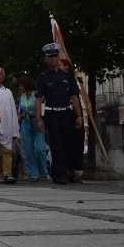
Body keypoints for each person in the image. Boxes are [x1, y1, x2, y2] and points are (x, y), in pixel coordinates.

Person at [35, 43, 83, 185]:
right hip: (52, 114)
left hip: (67, 113)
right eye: (50, 56)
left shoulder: (67, 77)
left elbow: (74, 97)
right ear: (46, 59)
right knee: (56, 145)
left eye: (55, 56)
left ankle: (68, 171)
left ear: (58, 57)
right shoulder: (43, 78)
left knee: (68, 144)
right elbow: (38, 100)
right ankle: (59, 173)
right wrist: (38, 119)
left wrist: (79, 116)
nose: (53, 59)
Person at [0, 67, 20, 184]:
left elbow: (12, 111)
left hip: (6, 124)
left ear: (4, 76)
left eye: (0, 74)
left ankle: (7, 174)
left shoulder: (8, 92)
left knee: (7, 150)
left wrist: (15, 129)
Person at [59, 58, 85, 183]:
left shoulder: (76, 80)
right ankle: (67, 169)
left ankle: (75, 169)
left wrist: (87, 106)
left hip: (76, 112)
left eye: (60, 65)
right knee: (66, 142)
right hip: (64, 112)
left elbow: (82, 95)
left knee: (77, 142)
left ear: (66, 67)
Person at [18, 76, 48, 181]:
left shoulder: (37, 95)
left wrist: (39, 120)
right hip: (25, 123)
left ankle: (43, 172)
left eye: (21, 85)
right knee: (28, 150)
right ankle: (33, 174)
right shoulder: (22, 97)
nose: (19, 87)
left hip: (37, 121)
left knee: (40, 149)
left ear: (26, 85)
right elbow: (20, 112)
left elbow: (41, 109)